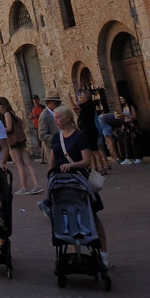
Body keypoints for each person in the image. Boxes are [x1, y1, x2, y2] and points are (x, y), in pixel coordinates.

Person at [50, 104, 108, 267]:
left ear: (67, 118)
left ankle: (103, 254)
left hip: (79, 182)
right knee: (68, 217)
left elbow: (87, 160)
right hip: (62, 183)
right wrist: (51, 178)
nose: (55, 121)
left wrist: (72, 165)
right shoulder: (56, 138)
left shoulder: (79, 136)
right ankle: (76, 254)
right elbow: (52, 160)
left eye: (57, 118)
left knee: (92, 216)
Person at [0, 97, 41, 194]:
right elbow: (23, 122)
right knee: (27, 162)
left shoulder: (7, 114)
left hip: (14, 141)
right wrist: (20, 130)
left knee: (19, 164)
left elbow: (9, 128)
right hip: (20, 139)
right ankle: (36, 184)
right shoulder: (12, 113)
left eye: (0, 104)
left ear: (4, 104)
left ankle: (24, 187)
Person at [71, 89, 106, 175]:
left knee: (95, 150)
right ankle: (94, 167)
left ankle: (101, 167)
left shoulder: (88, 105)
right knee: (90, 150)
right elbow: (77, 111)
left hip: (90, 130)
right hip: (86, 130)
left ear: (86, 97)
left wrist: (69, 98)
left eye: (81, 96)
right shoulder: (85, 105)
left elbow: (74, 108)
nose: (80, 97)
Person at [117, 96, 141, 164]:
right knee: (127, 142)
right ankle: (129, 158)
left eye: (122, 98)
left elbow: (134, 116)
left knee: (134, 141)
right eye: (120, 99)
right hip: (126, 125)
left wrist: (125, 115)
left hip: (132, 125)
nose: (121, 100)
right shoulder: (124, 107)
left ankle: (138, 157)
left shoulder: (131, 107)